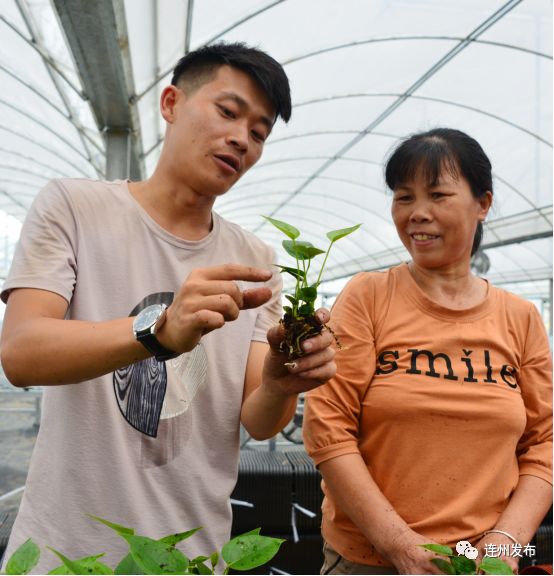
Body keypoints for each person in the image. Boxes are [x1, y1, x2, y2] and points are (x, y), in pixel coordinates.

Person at [0, 42, 336, 573]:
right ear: (172, 103)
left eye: (259, 132)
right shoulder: (75, 207)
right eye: (228, 112)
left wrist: (280, 382)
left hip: (192, 555)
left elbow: (259, 419)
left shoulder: (256, 261)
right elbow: (21, 352)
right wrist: (157, 331)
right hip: (66, 551)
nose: (241, 139)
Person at [303, 128, 552, 575]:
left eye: (438, 195)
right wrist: (397, 544)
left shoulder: (520, 318)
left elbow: (545, 443)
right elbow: (328, 429)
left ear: (483, 204)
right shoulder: (369, 296)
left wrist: (504, 543)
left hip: (479, 566)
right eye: (403, 198)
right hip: (370, 562)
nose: (417, 214)